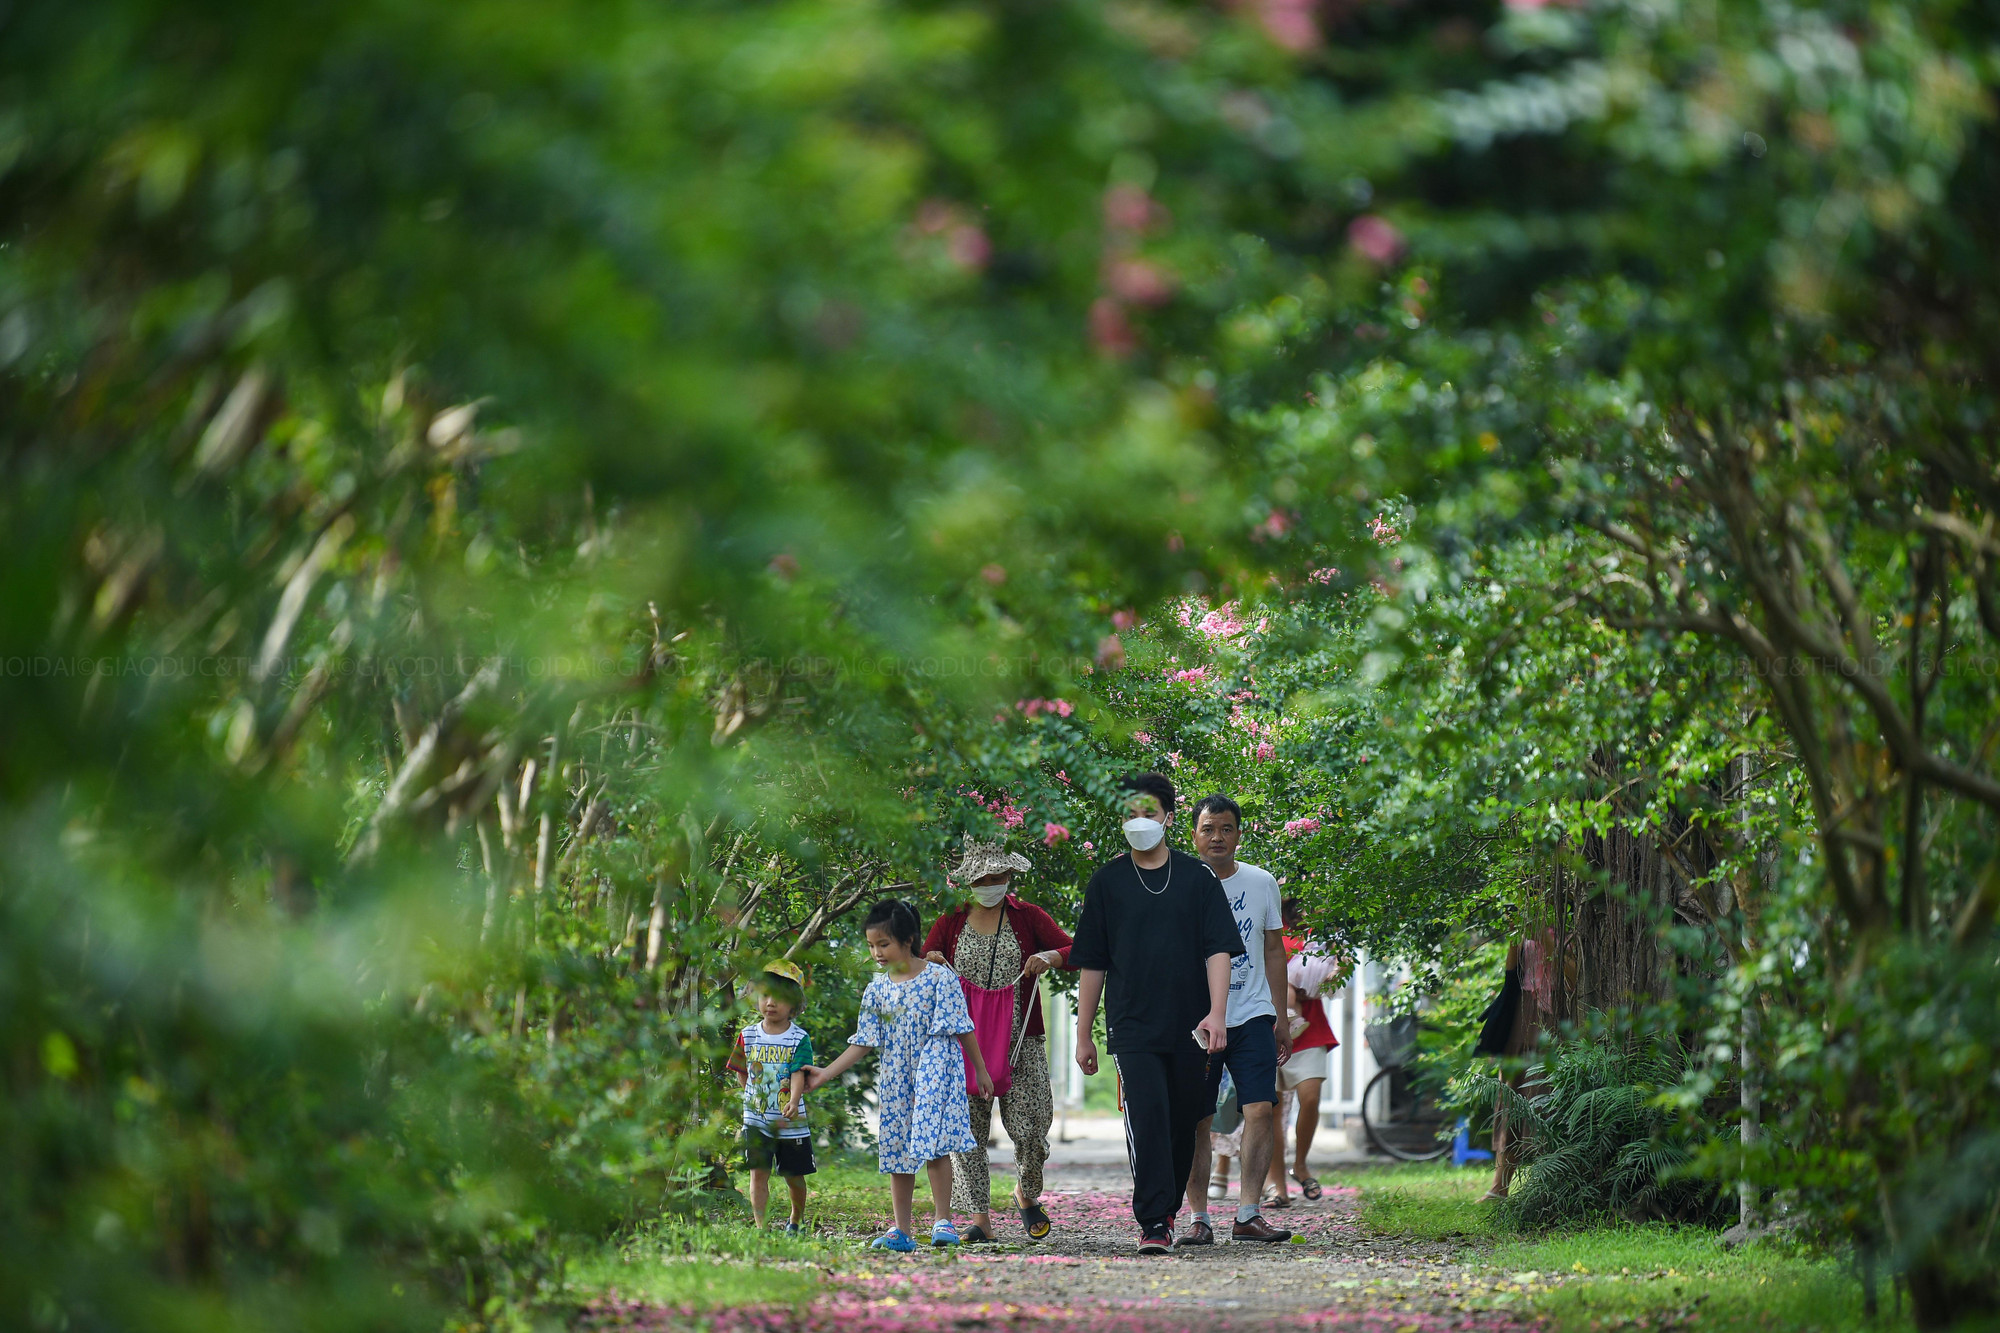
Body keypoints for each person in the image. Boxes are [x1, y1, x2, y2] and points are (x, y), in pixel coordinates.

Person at [1071, 772, 1242, 1254]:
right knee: (1147, 1119)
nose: (1139, 820)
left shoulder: (1197, 878)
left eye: (1149, 812)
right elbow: (1092, 963)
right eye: (1131, 813)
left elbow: (1219, 950)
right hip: (1132, 1026)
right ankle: (1154, 1221)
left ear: (1168, 817)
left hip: (1191, 1027)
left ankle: (1166, 1210)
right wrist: (1083, 1034)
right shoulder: (1107, 882)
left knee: (1184, 1122)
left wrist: (1217, 1013)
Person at [807, 899, 994, 1251]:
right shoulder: (877, 989)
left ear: (908, 939)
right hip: (896, 1075)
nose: (876, 953)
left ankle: (943, 1221)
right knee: (897, 1149)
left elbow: (962, 1027)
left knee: (936, 1144)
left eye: (884, 944)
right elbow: (863, 1042)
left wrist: (980, 1070)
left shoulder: (939, 978)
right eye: (871, 946)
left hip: (935, 1069)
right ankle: (902, 1231)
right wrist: (824, 1074)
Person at [922, 837, 1074, 1242]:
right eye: (983, 878)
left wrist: (1051, 957)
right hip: (963, 1041)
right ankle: (980, 1219)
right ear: (969, 880)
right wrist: (930, 960)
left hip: (1020, 1039)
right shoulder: (951, 920)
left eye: (998, 876)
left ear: (1009, 874)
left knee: (1032, 1126)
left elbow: (1075, 950)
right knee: (967, 1132)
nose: (991, 884)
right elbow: (919, 964)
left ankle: (1026, 1191)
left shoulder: (1028, 916)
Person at [1177, 794, 1292, 1245]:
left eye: (1226, 829)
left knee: (1260, 1109)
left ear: (1239, 835)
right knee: (1198, 1118)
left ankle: (1248, 1214)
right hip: (1198, 1021)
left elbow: (1273, 950)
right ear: (1193, 835)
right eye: (1208, 829)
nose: (1217, 837)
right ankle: (1199, 1218)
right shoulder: (1180, 883)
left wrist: (1280, 1017)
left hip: (1253, 1015)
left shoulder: (1261, 882)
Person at [727, 960, 817, 1231]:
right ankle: (762, 1228)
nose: (770, 1003)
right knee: (758, 1175)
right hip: (756, 1120)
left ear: (794, 1004)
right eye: (765, 995)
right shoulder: (748, 1035)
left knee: (794, 1177)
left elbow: (798, 1072)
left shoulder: (798, 1038)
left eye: (779, 998)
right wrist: (752, 1099)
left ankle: (796, 1220)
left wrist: (793, 1101)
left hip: (790, 1122)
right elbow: (741, 1071)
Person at [1268, 898, 1343, 1205]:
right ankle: (1277, 1186)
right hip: (1269, 1027)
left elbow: (1336, 971)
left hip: (1309, 1028)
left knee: (1310, 1097)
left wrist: (1332, 975)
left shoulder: (1320, 933)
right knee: (1269, 1110)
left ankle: (1300, 1164)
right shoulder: (1268, 926)